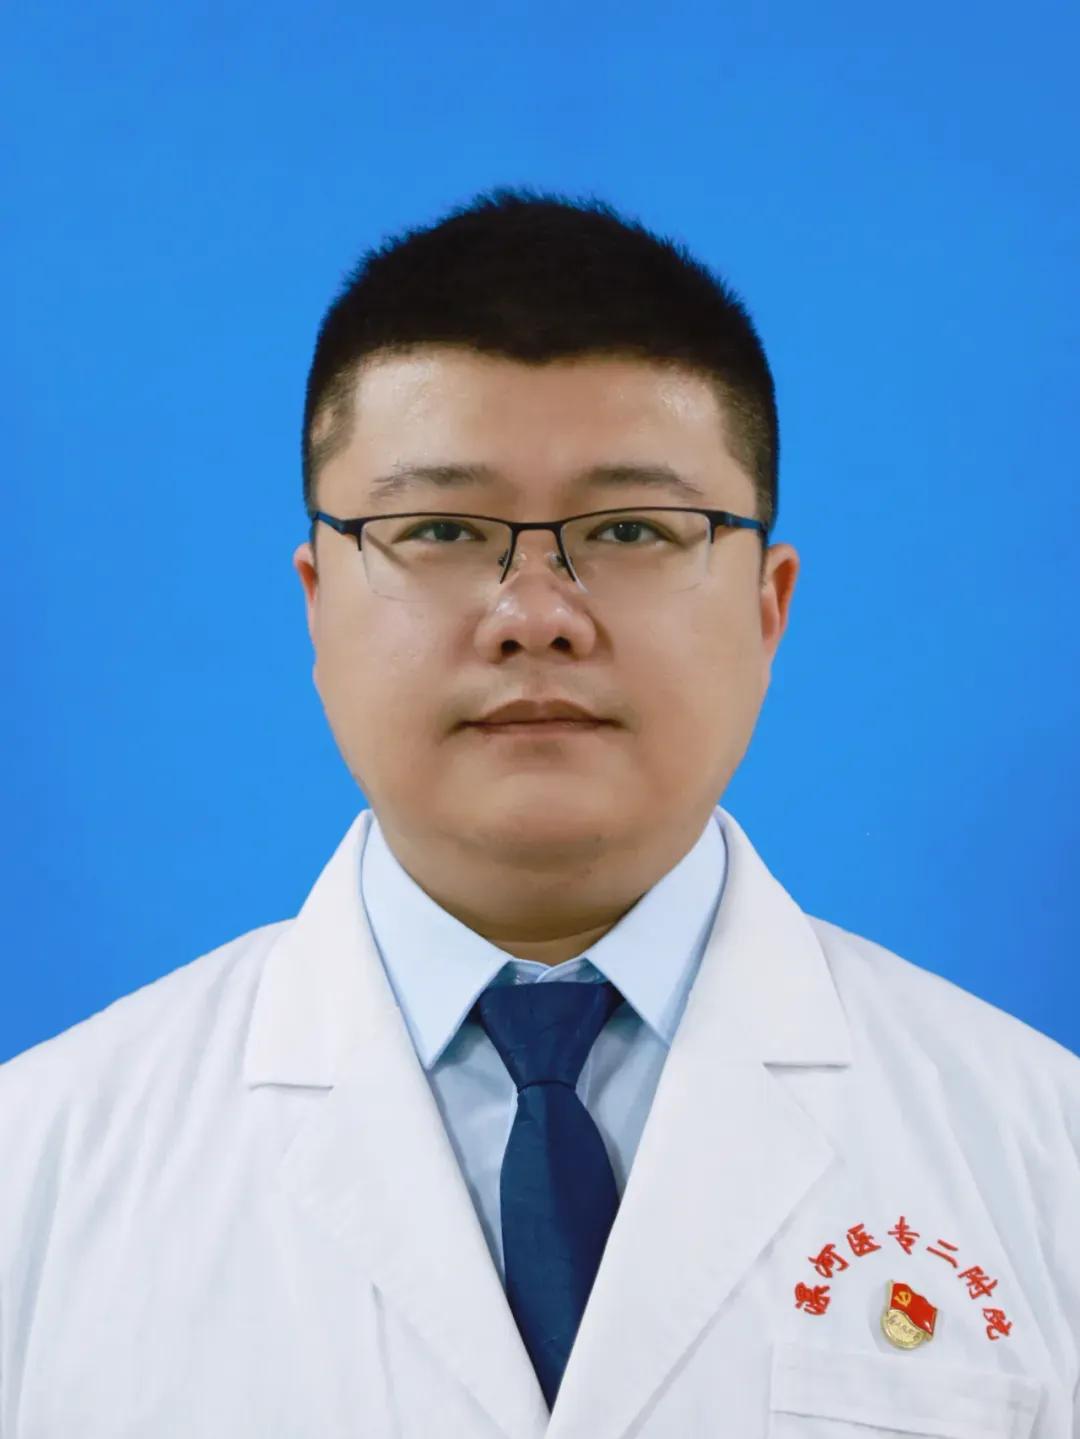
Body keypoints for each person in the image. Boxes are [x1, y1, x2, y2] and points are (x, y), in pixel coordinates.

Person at [1, 186, 1077, 1439]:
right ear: (316, 601)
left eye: (631, 527)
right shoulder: (40, 1166)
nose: (536, 614)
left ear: (768, 606)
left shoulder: (1041, 1153)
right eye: (439, 527)